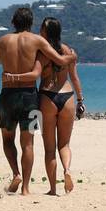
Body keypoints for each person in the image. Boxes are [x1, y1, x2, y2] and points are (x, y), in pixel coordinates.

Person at [0, 6, 78, 194]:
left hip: (8, 96)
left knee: (8, 140)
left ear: (12, 22)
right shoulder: (37, 41)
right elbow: (59, 60)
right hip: (30, 98)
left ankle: (16, 173)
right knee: (28, 143)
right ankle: (25, 188)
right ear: (32, 23)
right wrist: (73, 56)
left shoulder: (2, 41)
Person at [34, 16, 84, 194]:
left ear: (45, 32)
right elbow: (75, 78)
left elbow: (34, 75)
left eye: (41, 28)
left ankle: (53, 188)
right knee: (65, 144)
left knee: (49, 148)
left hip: (47, 97)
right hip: (67, 96)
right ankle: (67, 170)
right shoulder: (69, 51)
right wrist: (80, 100)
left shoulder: (41, 52)